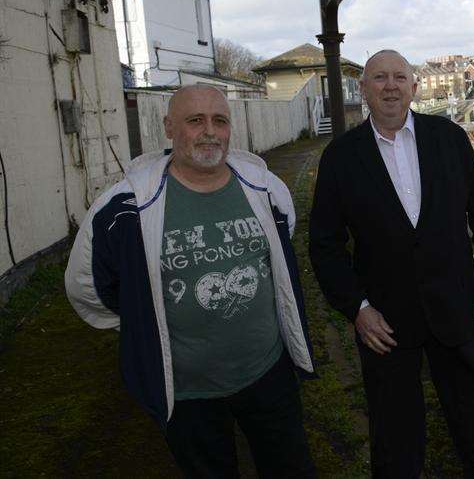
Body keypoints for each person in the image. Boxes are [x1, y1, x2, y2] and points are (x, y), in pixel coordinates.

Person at [65, 84, 316, 478]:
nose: (210, 132)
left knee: (291, 467)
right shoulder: (125, 206)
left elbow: (282, 250)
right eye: (195, 121)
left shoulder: (265, 188)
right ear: (168, 127)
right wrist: (139, 320)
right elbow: (87, 286)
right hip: (186, 392)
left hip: (268, 373)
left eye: (220, 120)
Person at [309, 50, 474, 478]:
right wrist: (358, 309)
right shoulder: (341, 157)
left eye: (400, 77)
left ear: (414, 87)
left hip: (457, 308)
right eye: (379, 78)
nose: (390, 86)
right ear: (362, 89)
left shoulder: (449, 138)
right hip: (385, 321)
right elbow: (325, 244)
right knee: (395, 439)